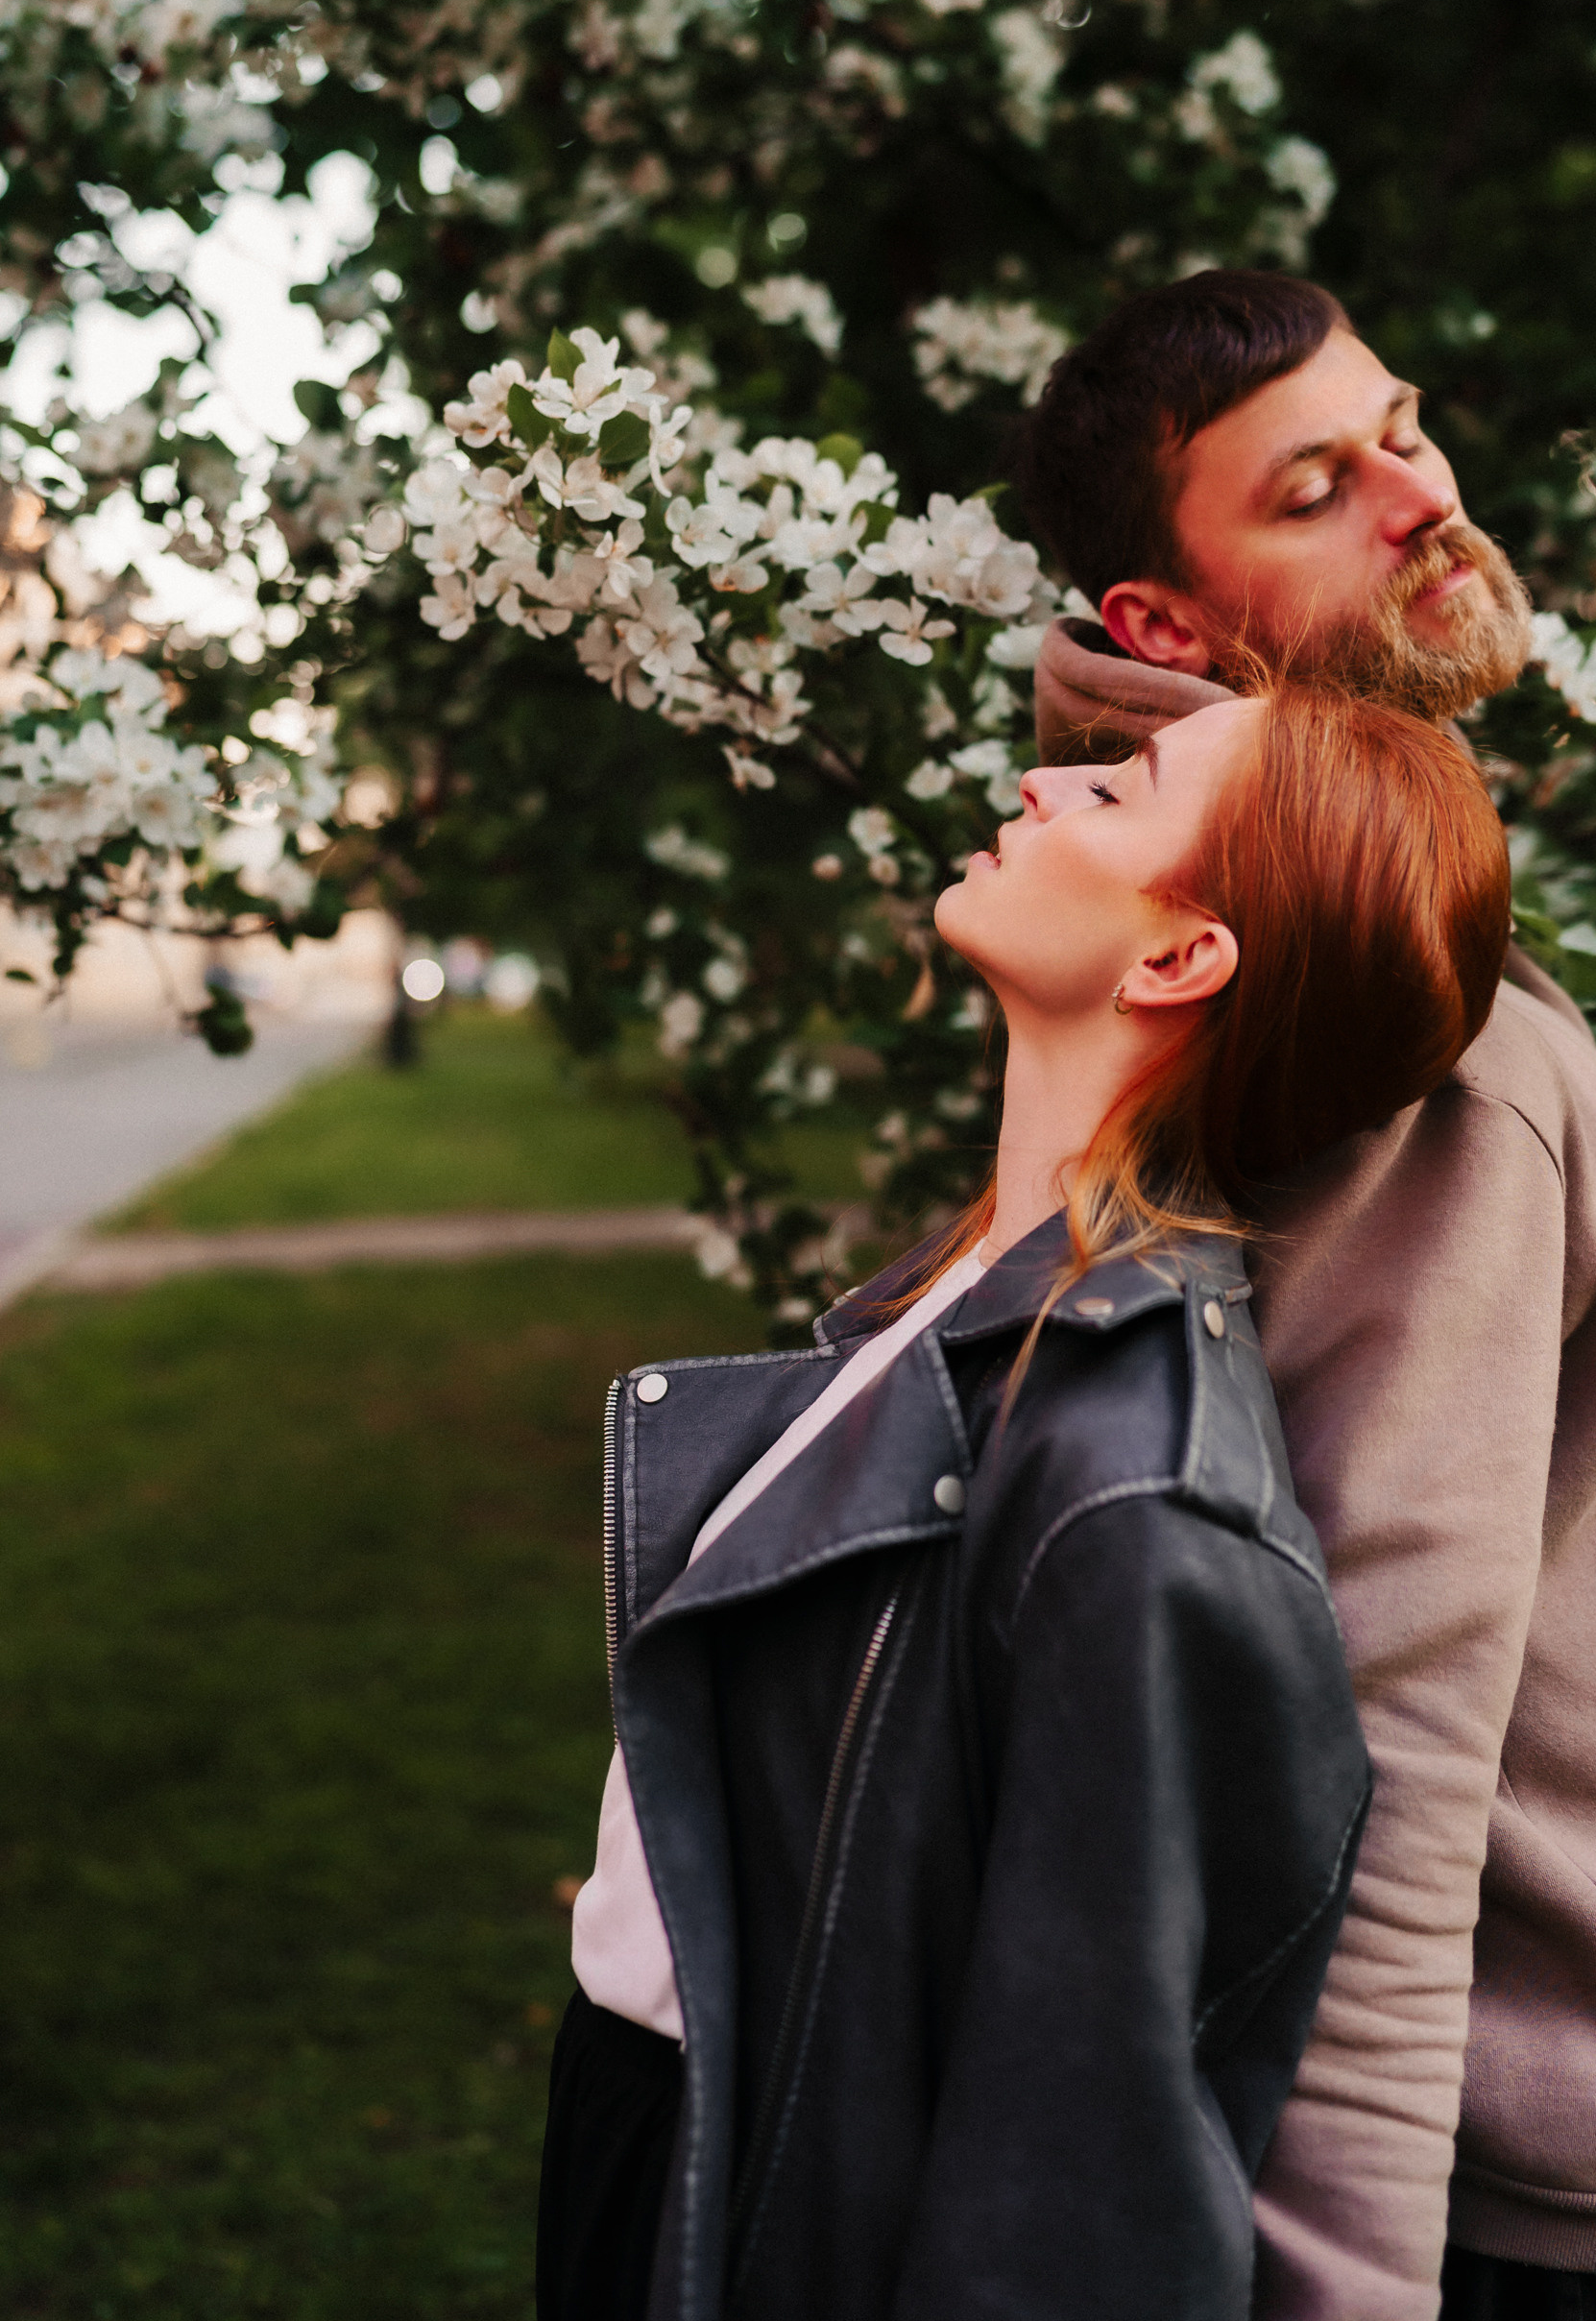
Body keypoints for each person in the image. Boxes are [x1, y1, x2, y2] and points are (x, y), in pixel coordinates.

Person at [1019, 268, 1596, 2321]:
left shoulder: (1218, 897)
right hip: (1513, 2154)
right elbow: (1373, 1708)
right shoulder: (1371, 1019)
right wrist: (1341, 2283)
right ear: (1161, 631)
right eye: (1313, 486)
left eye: (1401, 426)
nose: (1415, 493)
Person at [539, 679, 1517, 2321]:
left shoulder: (1135, 1474)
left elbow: (1082, 2167)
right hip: (661, 2121)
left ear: (1177, 956)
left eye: (1123, 789)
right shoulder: (974, 1294)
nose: (1047, 780)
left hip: (763, 2208)